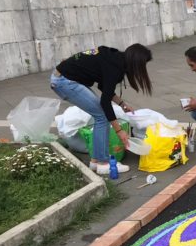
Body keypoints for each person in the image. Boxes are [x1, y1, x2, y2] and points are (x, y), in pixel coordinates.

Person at [51, 44, 153, 175]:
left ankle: (95, 161)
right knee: (102, 117)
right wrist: (119, 131)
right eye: (143, 64)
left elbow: (103, 87)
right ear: (137, 62)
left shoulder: (116, 58)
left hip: (64, 78)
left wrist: (122, 104)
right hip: (65, 82)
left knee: (101, 116)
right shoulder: (115, 67)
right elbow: (105, 102)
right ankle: (104, 164)